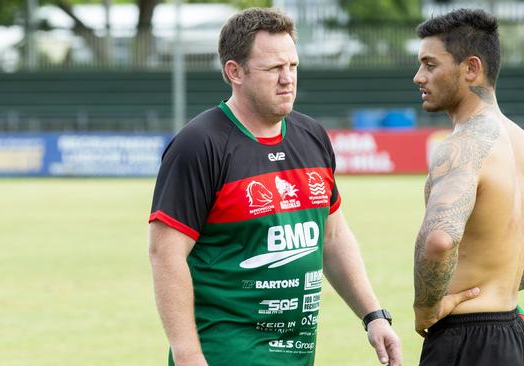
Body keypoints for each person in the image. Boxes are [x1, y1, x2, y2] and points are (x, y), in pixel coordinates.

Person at [148, 7, 401, 366]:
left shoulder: (311, 136)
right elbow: (166, 254)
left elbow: (332, 238)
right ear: (234, 72)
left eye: (292, 66)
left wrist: (373, 315)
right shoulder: (200, 144)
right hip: (223, 354)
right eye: (273, 69)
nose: (287, 79)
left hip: (296, 355)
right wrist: (188, 355)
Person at [411, 8, 524, 366]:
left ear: (471, 68)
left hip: (466, 340)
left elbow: (440, 240)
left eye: (430, 65)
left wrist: (426, 308)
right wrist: (501, 281)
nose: (418, 77)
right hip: (516, 336)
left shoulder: (461, 147)